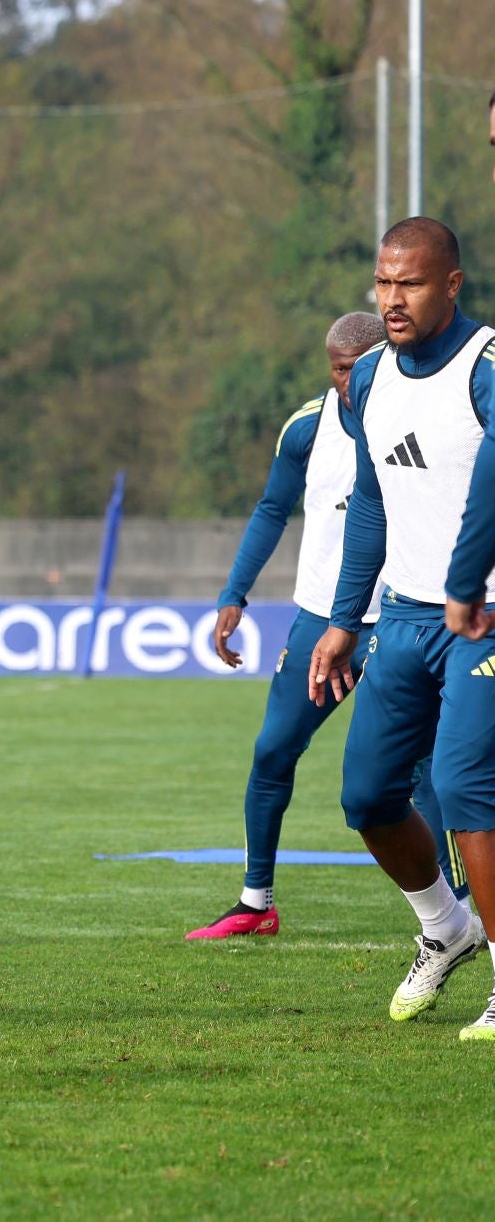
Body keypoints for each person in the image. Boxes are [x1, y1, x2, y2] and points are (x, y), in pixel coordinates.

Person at [191, 313, 462, 940]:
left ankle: (460, 909)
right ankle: (256, 902)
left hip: (401, 614)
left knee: (425, 770)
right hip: (320, 619)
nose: (343, 380)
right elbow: (270, 508)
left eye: (352, 367)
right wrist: (235, 592)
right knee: (273, 749)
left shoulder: (415, 415)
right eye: (335, 368)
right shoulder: (306, 428)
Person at [308, 218, 494, 1032]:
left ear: (450, 284)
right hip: (407, 619)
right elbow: (374, 503)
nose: (391, 299)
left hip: (483, 621)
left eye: (409, 283)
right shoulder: (372, 378)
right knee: (368, 793)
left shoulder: (484, 369)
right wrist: (345, 619)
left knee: (461, 786)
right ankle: (447, 930)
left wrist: (466, 582)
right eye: (382, 283)